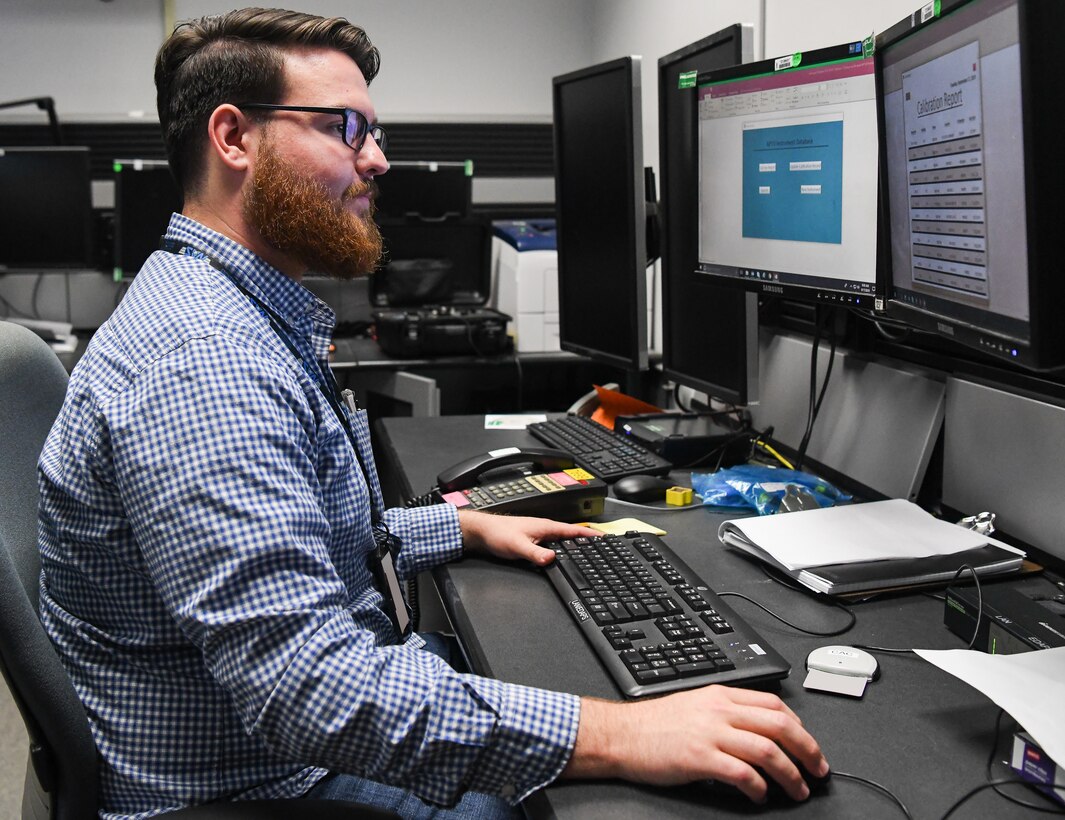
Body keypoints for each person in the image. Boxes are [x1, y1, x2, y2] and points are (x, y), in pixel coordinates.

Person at [37, 8, 828, 819]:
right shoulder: (205, 361)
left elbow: (308, 537)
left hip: (266, 748)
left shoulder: (226, 308)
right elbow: (307, 691)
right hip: (256, 783)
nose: (377, 159)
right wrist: (620, 735)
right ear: (234, 138)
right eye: (345, 128)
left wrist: (461, 526)